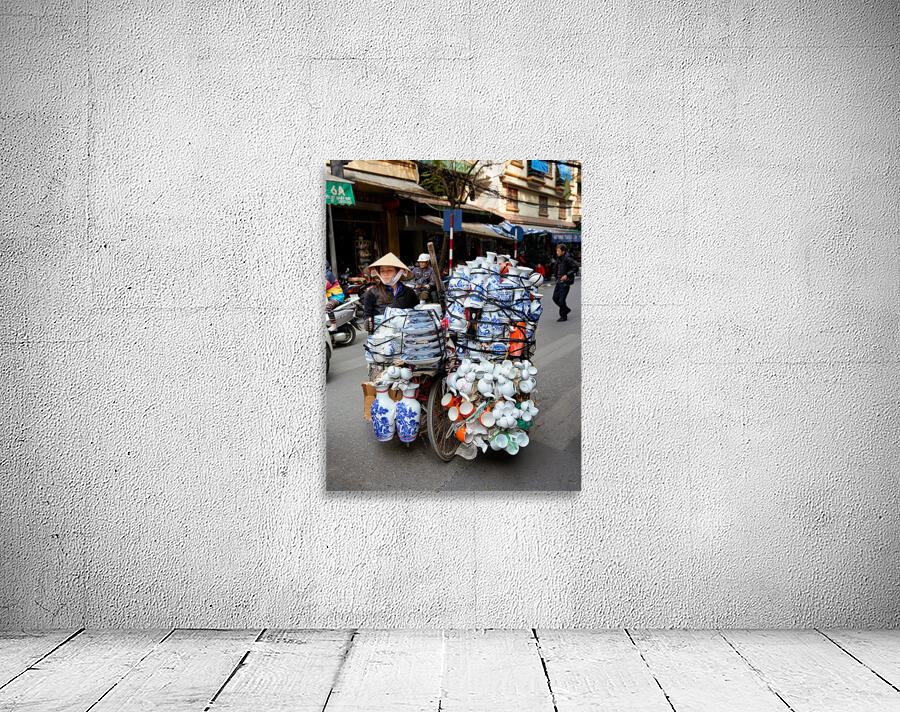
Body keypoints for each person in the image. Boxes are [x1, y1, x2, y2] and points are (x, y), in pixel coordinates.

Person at [363, 252, 418, 333]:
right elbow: (367, 315)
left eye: (389, 270)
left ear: (398, 272)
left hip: (406, 336)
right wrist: (367, 322)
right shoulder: (372, 293)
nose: (385, 273)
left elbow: (416, 312)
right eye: (382, 271)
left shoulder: (409, 292)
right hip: (382, 337)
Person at [552, 244, 578, 322]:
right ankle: (566, 309)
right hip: (558, 282)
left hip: (565, 282)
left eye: (558, 251)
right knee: (555, 298)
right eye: (556, 250)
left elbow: (576, 267)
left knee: (561, 300)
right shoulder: (559, 259)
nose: (557, 252)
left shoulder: (568, 259)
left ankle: (563, 316)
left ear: (563, 251)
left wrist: (567, 275)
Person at [325, 261, 345, 332]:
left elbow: (324, 286)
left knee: (328, 307)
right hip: (329, 297)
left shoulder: (328, 274)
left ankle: (333, 325)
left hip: (337, 297)